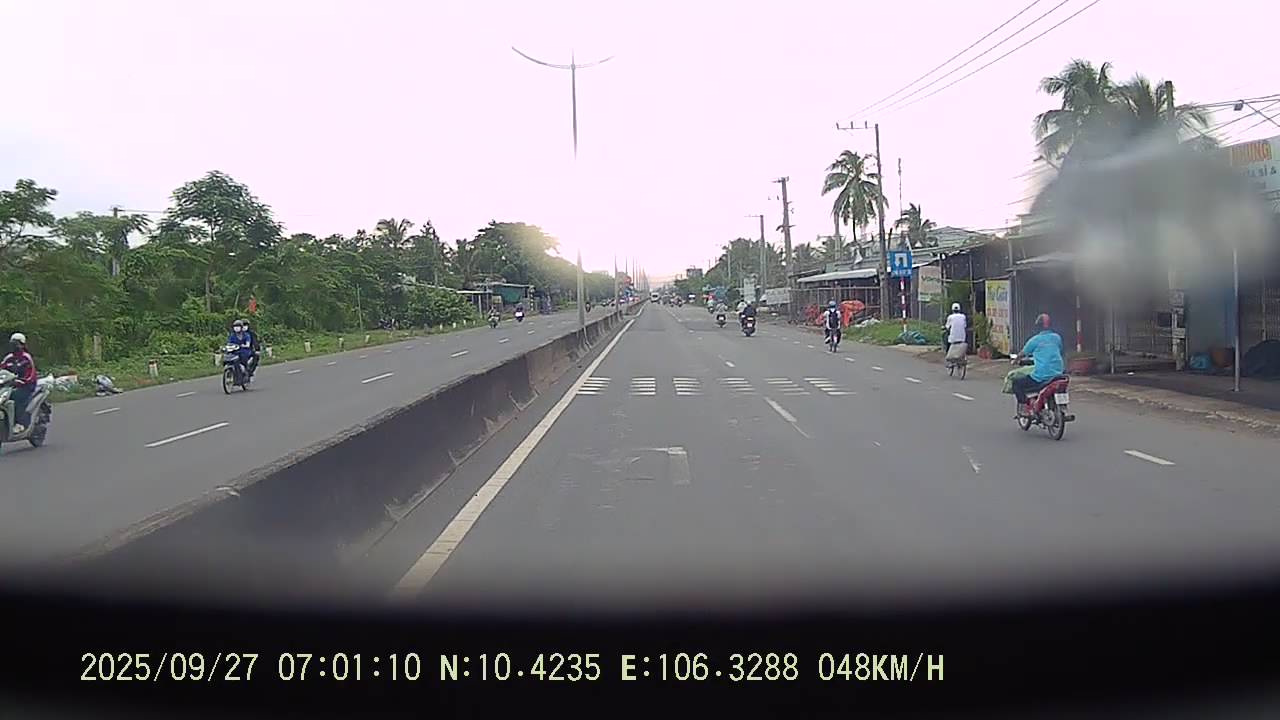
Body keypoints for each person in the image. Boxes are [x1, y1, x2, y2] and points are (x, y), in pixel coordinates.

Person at [1011, 313, 1065, 414]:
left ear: (1037, 326)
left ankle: (1028, 403)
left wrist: (1015, 361)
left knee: (1016, 383)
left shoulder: (1034, 340)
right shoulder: (1057, 338)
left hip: (1041, 377)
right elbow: (1059, 351)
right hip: (1059, 374)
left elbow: (1022, 353)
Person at [2, 332, 38, 435]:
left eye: (17, 343)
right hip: (10, 385)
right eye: (13, 343)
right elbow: (2, 369)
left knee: (16, 398)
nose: (14, 346)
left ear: (22, 345)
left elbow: (31, 374)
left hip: (27, 386)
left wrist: (23, 381)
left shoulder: (26, 357)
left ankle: (20, 423)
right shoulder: (9, 358)